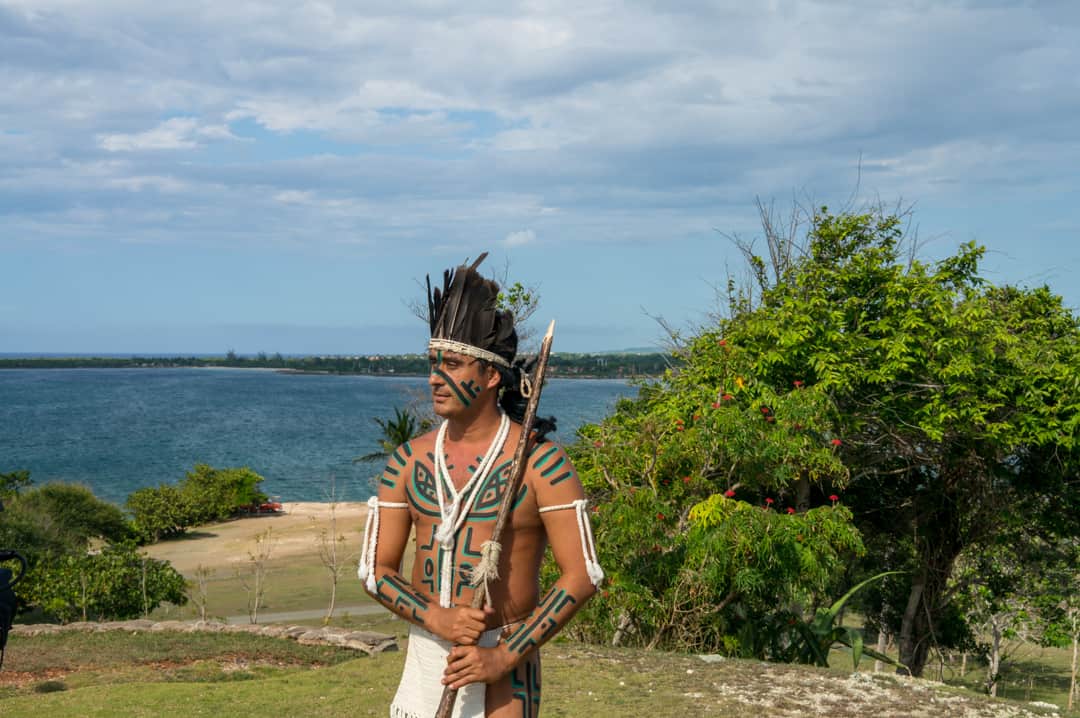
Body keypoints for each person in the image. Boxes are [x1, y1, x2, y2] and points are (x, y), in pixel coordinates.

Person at [358, 254, 603, 718]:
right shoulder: (408, 462)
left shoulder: (539, 463)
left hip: (505, 662)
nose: (435, 377)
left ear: (491, 376)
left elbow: (583, 574)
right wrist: (436, 617)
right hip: (428, 652)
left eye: (451, 364)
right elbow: (375, 568)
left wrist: (505, 656)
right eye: (433, 363)